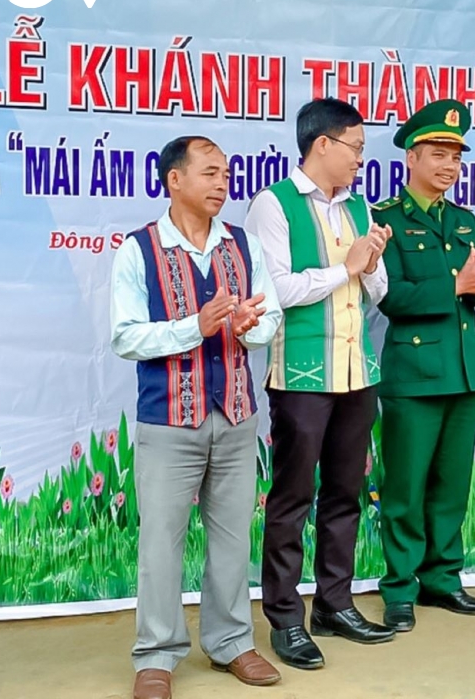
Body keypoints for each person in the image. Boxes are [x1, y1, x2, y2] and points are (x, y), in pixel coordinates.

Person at [110, 136, 283, 699]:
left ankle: (232, 642)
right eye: (209, 173)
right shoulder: (138, 249)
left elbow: (270, 318)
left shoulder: (245, 245)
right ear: (174, 180)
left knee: (233, 538)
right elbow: (125, 336)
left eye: (227, 174)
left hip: (235, 414)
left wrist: (251, 326)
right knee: (161, 541)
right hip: (168, 420)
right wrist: (196, 326)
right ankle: (156, 655)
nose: (222, 183)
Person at [244, 98, 396, 670]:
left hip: (358, 373)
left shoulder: (357, 205)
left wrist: (373, 260)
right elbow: (275, 290)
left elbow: (375, 289)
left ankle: (335, 603)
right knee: (291, 498)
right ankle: (285, 617)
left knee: (345, 494)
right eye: (355, 147)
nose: (361, 158)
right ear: (322, 145)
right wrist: (347, 267)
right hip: (303, 377)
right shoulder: (274, 205)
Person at [372, 99, 475, 632]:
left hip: (463, 370)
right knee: (404, 487)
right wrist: (455, 285)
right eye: (438, 154)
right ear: (412, 156)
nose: (449, 165)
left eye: (455, 156)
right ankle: (399, 590)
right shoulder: (385, 219)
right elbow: (391, 297)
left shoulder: (464, 220)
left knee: (452, 485)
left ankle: (443, 581)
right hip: (413, 373)